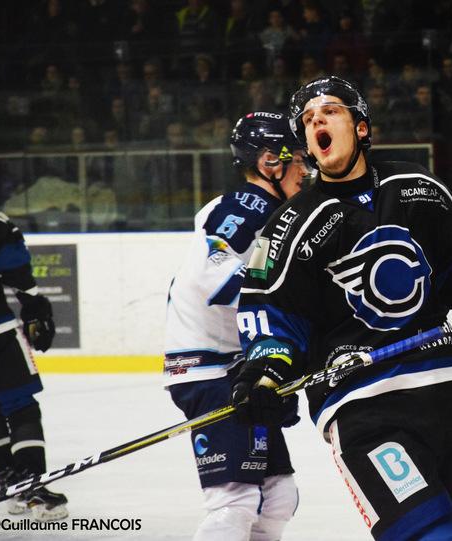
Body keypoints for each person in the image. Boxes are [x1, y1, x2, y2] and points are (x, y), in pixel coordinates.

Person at [230, 76, 452, 541]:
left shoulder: (416, 187)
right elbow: (272, 314)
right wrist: (266, 371)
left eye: (331, 112)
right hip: (362, 403)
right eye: (308, 119)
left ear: (361, 127)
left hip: (448, 387)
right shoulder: (290, 224)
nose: (317, 121)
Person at [163, 112, 310, 541]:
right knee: (235, 500)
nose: (306, 169)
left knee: (278, 497)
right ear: (269, 161)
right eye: (299, 159)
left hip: (237, 366)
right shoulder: (247, 205)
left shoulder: (273, 211)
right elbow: (215, 277)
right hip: (209, 369)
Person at [0, 204, 67, 521]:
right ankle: (32, 486)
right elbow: (13, 263)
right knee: (20, 406)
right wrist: (34, 304)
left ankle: (10, 484)